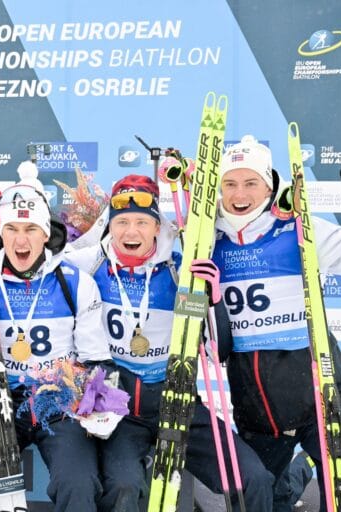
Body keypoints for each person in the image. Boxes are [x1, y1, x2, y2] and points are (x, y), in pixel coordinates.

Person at [64, 174, 274, 511]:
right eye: (123, 223)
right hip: (122, 414)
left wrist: (213, 299)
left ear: (157, 227)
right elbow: (36, 264)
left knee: (253, 479)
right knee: (123, 488)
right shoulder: (89, 265)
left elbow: (218, 350)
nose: (130, 232)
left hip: (178, 403)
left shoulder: (181, 273)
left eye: (141, 222)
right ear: (110, 226)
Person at [212, 135, 341, 511]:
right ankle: (302, 469)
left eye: (251, 182)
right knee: (260, 500)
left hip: (320, 396)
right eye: (230, 183)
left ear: (270, 185)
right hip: (256, 407)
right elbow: (129, 236)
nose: (239, 193)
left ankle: (313, 461)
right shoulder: (206, 239)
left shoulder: (300, 231)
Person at [0, 181, 114, 512]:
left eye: (31, 228)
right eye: (12, 228)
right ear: (1, 232)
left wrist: (98, 401)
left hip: (59, 406)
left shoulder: (74, 282)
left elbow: (96, 360)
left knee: (78, 483)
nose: (20, 239)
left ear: (46, 233)